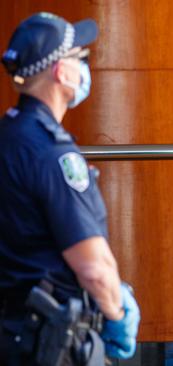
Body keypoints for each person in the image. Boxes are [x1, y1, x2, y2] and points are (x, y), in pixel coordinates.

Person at [0, 12, 140, 364]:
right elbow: (93, 267)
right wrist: (117, 315)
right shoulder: (52, 154)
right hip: (46, 339)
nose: (85, 69)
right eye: (82, 59)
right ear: (62, 72)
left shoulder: (9, 137)